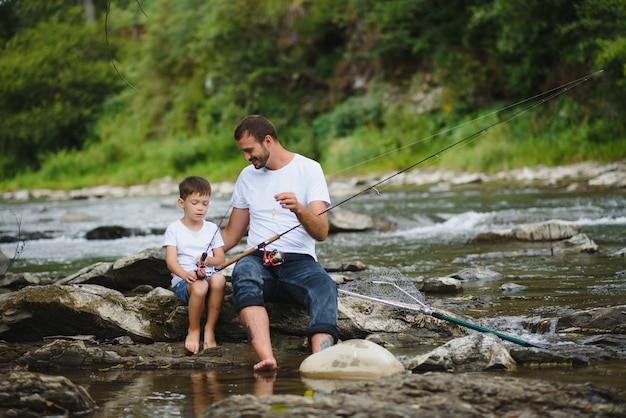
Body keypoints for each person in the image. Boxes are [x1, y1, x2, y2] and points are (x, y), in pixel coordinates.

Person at [221, 114, 339, 372]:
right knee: (244, 273)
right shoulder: (246, 177)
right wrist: (199, 252)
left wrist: (299, 208)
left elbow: (320, 231)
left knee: (325, 288)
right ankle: (267, 358)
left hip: (299, 261)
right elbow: (231, 235)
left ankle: (322, 362)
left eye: (249, 151)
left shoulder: (309, 169)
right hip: (258, 258)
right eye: (242, 152)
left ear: (268, 141)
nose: (246, 158)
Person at [163, 176, 227, 355]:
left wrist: (207, 261)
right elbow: (171, 261)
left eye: (205, 203)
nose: (200, 208)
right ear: (181, 203)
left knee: (219, 280)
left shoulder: (212, 228)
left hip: (207, 276)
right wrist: (184, 275)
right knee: (199, 287)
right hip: (186, 281)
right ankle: (194, 330)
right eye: (195, 202)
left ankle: (209, 329)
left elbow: (220, 258)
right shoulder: (174, 229)